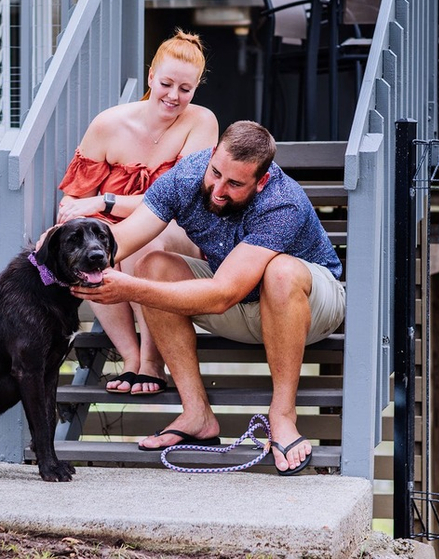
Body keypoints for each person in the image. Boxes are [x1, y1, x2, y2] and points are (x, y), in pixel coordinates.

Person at [66, 120, 346, 475]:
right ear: (213, 155)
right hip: (240, 302)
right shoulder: (188, 176)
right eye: (216, 173)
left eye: (234, 184)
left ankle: (283, 416)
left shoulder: (281, 202)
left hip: (308, 304)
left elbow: (221, 295)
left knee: (280, 271)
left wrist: (129, 289)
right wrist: (63, 248)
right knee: (154, 265)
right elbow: (123, 236)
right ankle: (197, 414)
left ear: (261, 181)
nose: (217, 189)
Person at [55, 29, 218, 395]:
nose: (174, 96)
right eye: (166, 84)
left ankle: (151, 362)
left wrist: (105, 202)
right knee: (90, 247)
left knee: (148, 238)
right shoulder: (108, 124)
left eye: (185, 89)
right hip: (117, 234)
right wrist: (77, 216)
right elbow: (73, 198)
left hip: (176, 230)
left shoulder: (201, 122)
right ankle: (129, 357)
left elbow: (177, 202)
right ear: (150, 77)